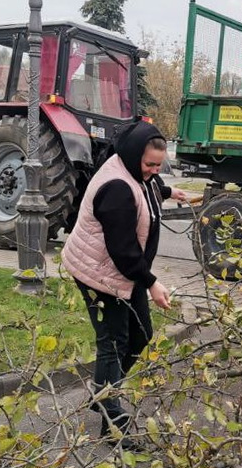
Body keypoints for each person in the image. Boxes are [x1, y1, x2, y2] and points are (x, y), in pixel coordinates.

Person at [61, 120, 187, 449]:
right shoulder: (116, 187)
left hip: (122, 273)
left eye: (159, 166)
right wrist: (151, 283)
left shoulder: (134, 171)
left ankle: (104, 391)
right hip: (99, 274)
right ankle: (113, 422)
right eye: (150, 165)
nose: (153, 171)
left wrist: (171, 192)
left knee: (141, 333)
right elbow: (122, 250)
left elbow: (148, 185)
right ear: (134, 156)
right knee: (113, 343)